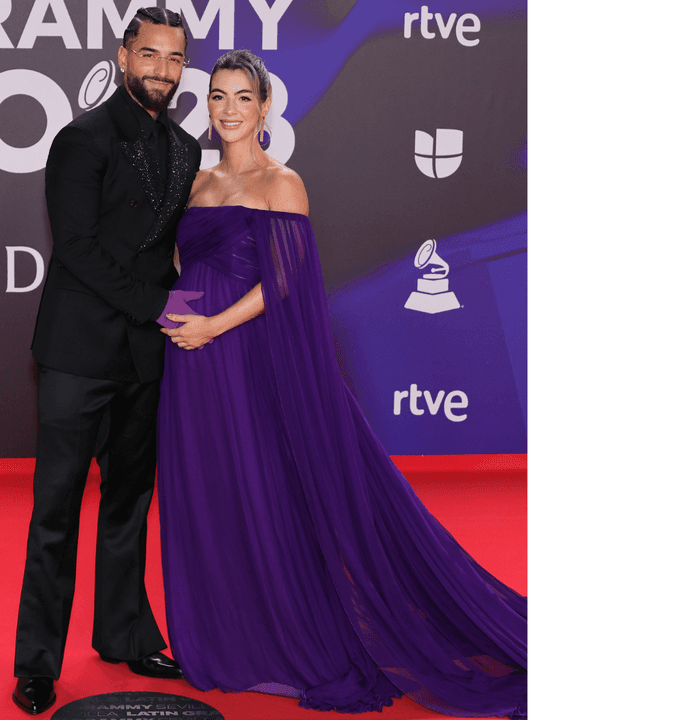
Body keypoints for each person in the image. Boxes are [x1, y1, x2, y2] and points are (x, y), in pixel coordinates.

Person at [156, 50, 528, 719]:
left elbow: (286, 279)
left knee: (263, 483)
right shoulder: (201, 183)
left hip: (244, 355)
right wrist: (182, 319)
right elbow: (188, 258)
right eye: (218, 97)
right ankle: (228, 635)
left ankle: (288, 629)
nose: (230, 110)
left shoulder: (282, 183)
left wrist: (212, 325)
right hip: (193, 361)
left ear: (266, 107)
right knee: (209, 485)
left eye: (244, 97)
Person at [12, 7, 206, 716]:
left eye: (174, 57)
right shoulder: (81, 139)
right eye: (149, 54)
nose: (161, 68)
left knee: (130, 503)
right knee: (56, 510)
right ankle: (36, 663)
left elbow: (178, 248)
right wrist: (157, 308)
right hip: (76, 354)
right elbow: (78, 248)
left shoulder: (186, 148)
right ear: (123, 56)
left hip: (145, 360)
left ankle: (124, 634)